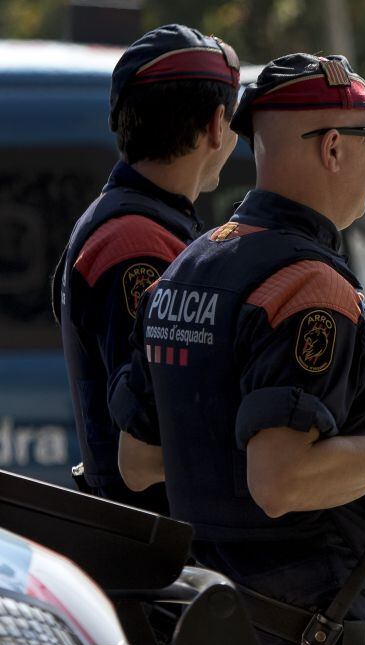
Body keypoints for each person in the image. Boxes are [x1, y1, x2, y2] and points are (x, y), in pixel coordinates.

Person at [109, 53, 365, 645]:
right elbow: (281, 482)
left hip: (215, 632)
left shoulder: (189, 267)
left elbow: (138, 462)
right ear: (331, 148)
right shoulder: (309, 287)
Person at [55, 24, 239, 513]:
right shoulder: (136, 243)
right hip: (153, 551)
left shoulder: (136, 223)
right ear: (218, 124)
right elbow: (148, 431)